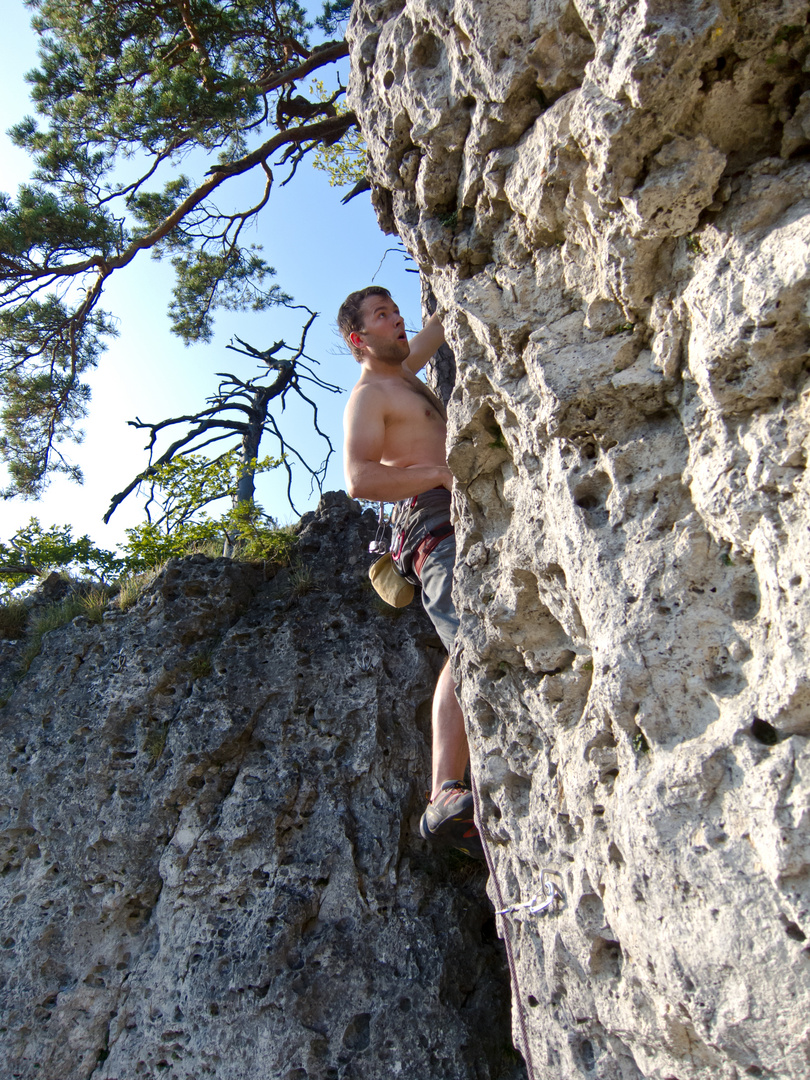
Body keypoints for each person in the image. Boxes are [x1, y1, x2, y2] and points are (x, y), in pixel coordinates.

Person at [339, 285, 482, 859]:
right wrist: (436, 472)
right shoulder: (370, 395)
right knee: (469, 646)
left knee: (474, 642)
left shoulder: (405, 374)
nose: (397, 319)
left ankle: (459, 788)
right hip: (430, 524)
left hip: (456, 513)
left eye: (396, 310)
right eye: (382, 315)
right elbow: (360, 479)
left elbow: (439, 323)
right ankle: (442, 792)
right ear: (359, 338)